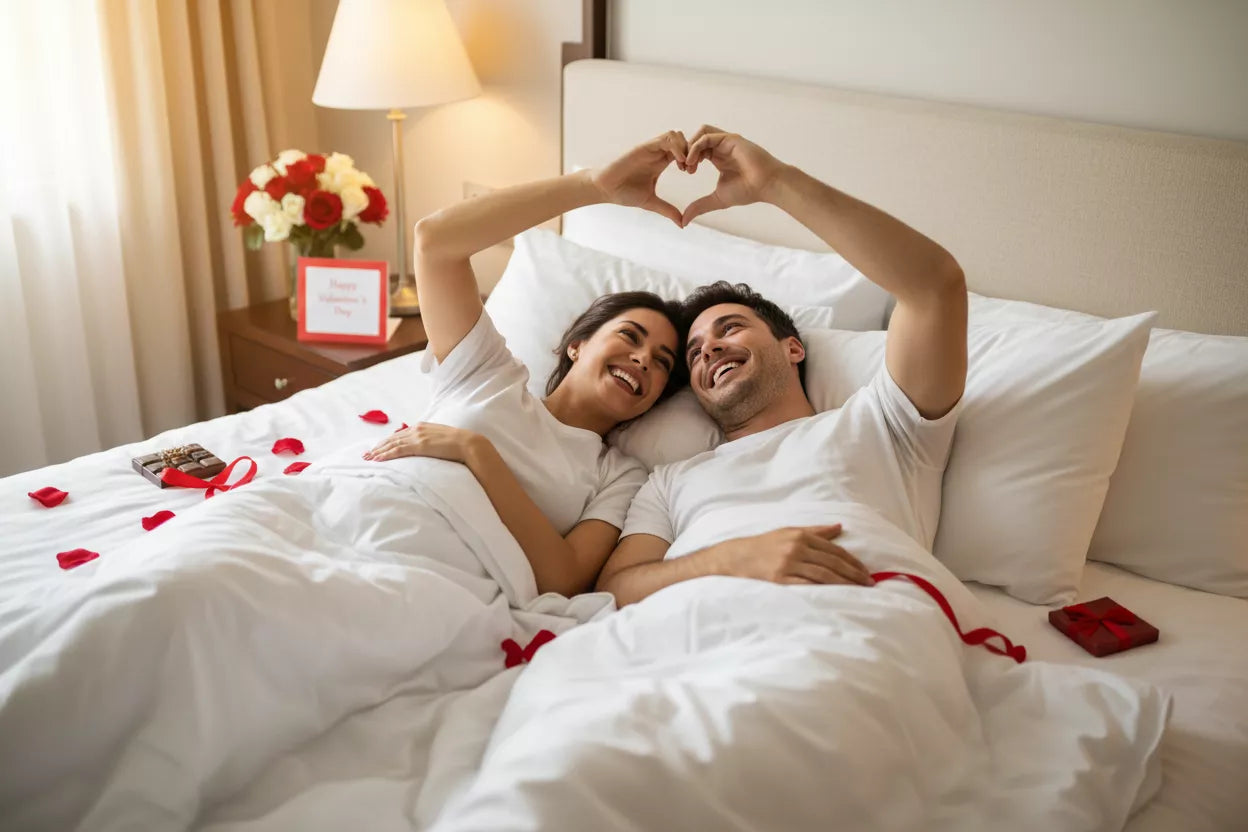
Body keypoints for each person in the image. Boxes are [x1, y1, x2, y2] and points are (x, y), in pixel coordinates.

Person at [596, 125, 968, 605]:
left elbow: (935, 288)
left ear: (793, 348)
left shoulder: (885, 424)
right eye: (693, 353)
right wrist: (733, 560)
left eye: (729, 329)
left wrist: (774, 182)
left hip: (848, 625)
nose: (708, 350)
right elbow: (616, 589)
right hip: (689, 640)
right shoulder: (670, 481)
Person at [362, 132, 695, 597]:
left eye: (661, 362)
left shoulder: (619, 477)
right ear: (577, 344)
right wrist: (593, 188)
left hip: (419, 579)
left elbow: (563, 577)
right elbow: (435, 241)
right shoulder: (488, 374)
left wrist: (477, 453)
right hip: (359, 510)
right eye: (629, 337)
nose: (642, 359)